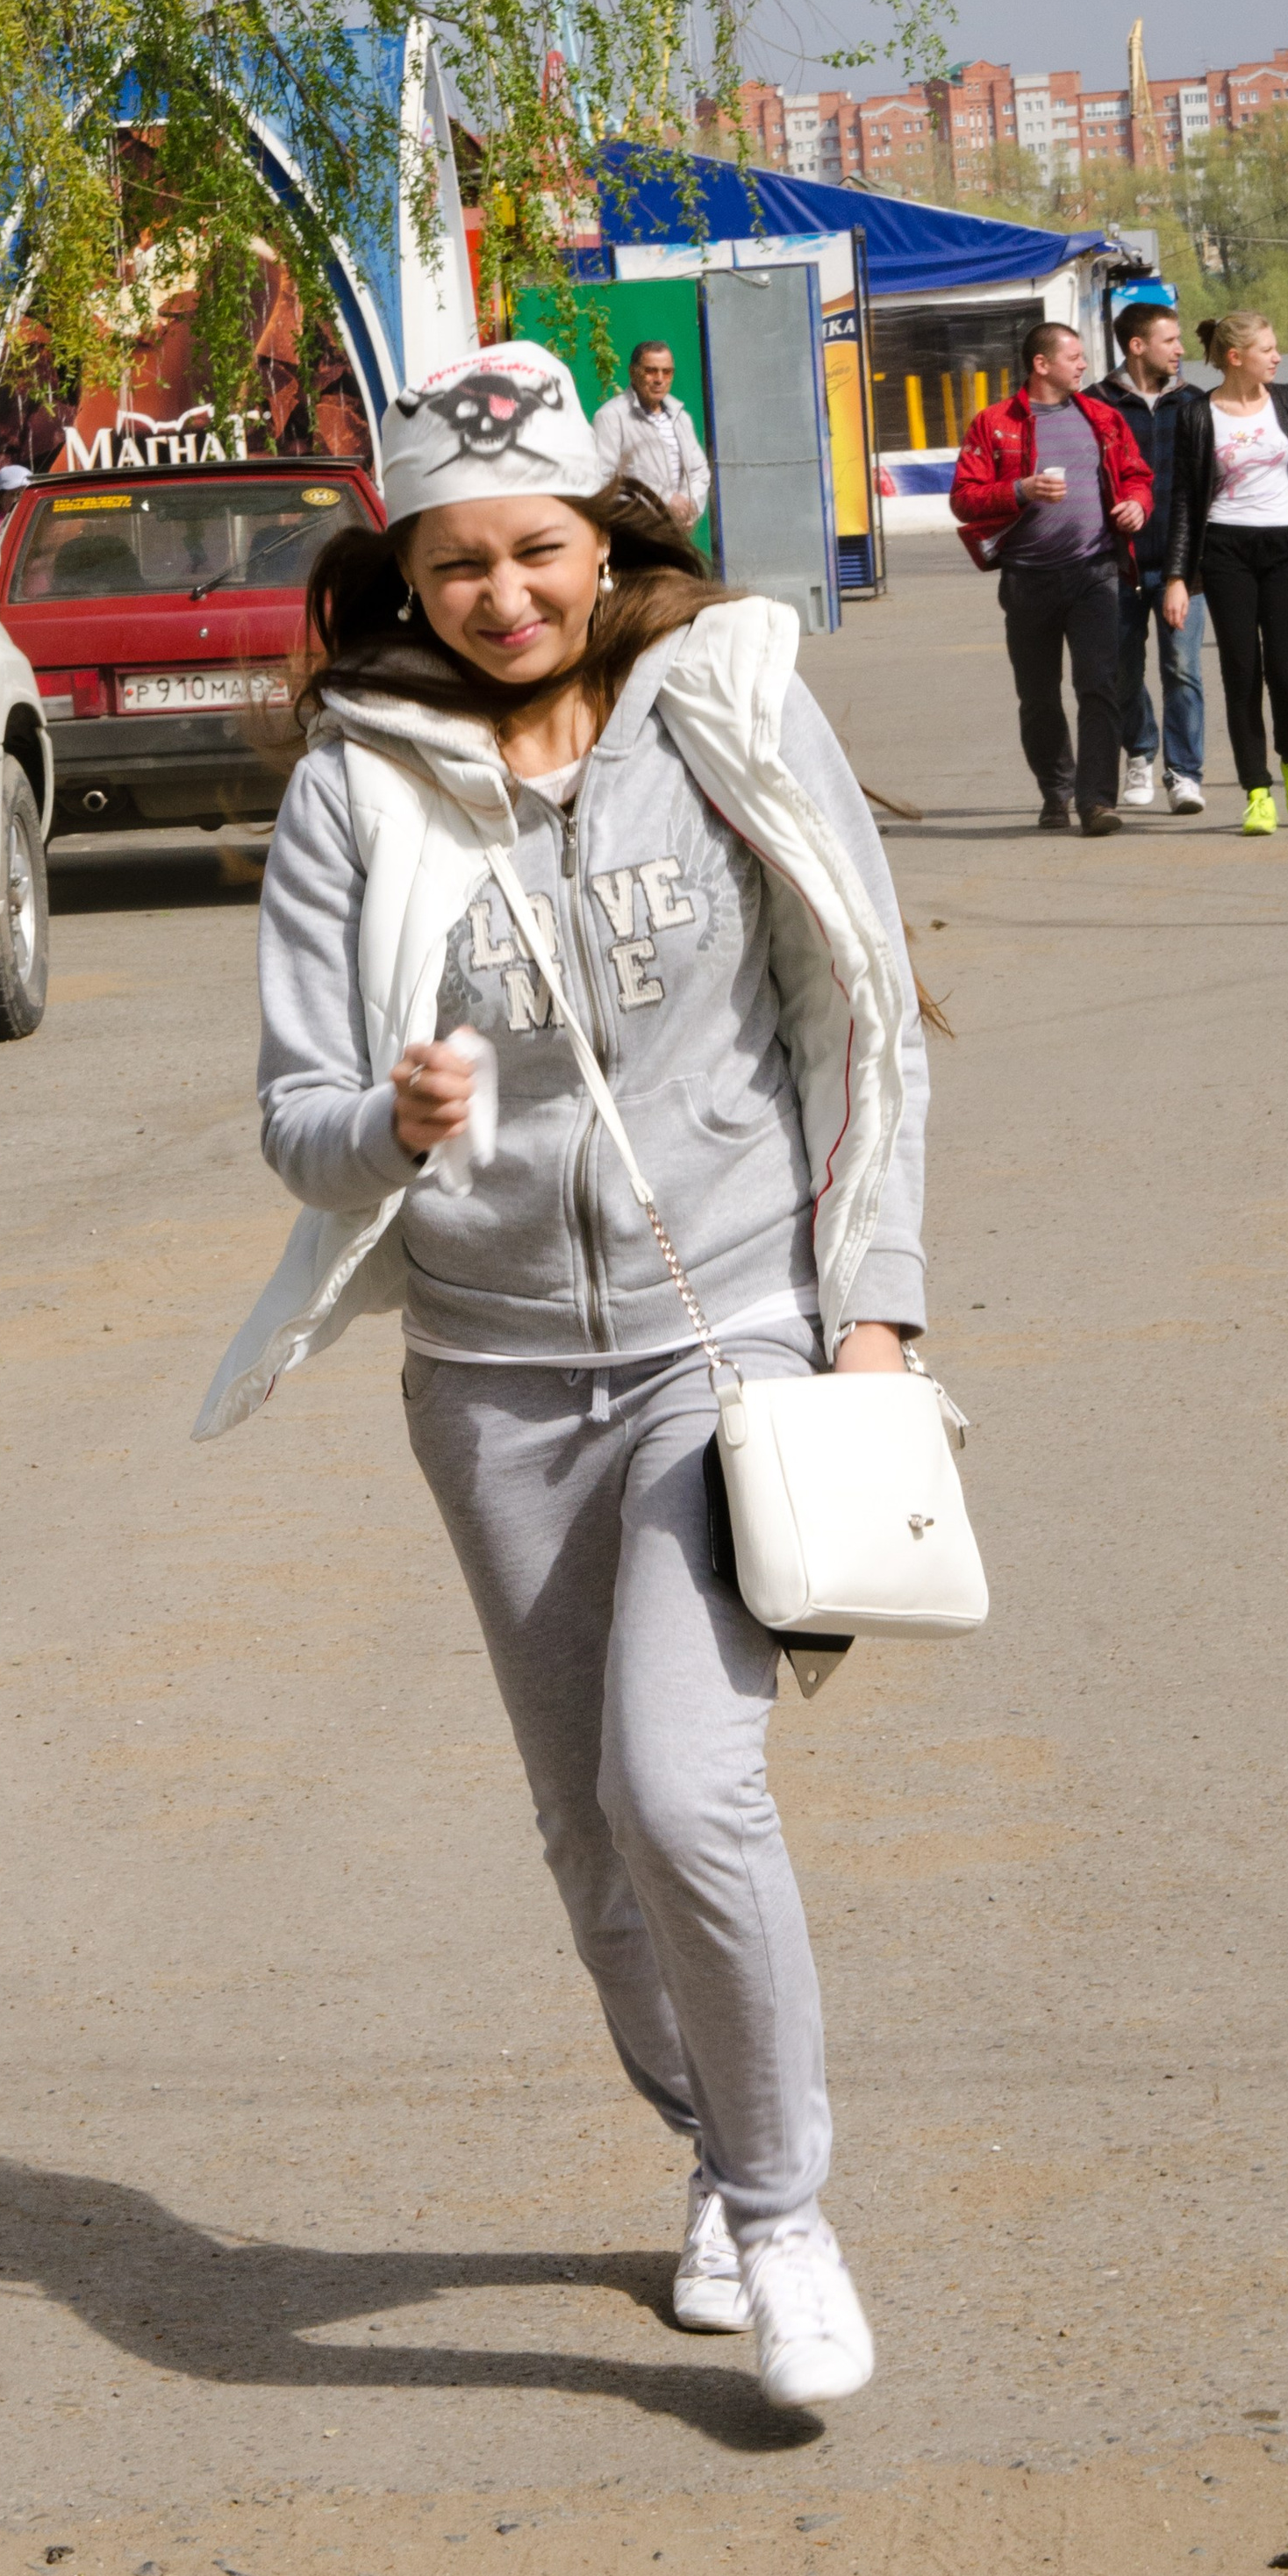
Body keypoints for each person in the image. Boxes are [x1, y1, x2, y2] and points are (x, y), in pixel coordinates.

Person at [198, 340, 932, 2418]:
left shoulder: (724, 706)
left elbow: (855, 1014)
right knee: (588, 1840)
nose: (500, 598)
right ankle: (709, 2143)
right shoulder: (355, 785)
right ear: (402, 572)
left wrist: (871, 1306)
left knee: (678, 1789)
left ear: (602, 540)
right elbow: (298, 1118)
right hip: (491, 1374)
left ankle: (783, 2216)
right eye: (454, 567)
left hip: (730, 1338)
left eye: (533, 553)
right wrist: (398, 1123)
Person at [948, 321, 1153, 835]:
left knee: (1099, 687)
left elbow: (1137, 475)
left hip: (1095, 573)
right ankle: (1056, 790)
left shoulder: (1102, 417)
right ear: (1041, 364)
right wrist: (1020, 490)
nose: (1083, 365)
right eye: (1074, 356)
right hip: (1028, 580)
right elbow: (964, 499)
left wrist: (1137, 504)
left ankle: (1096, 801)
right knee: (1038, 697)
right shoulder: (994, 423)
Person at [1163, 310, 1288, 835]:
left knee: (1287, 673)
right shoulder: (1197, 415)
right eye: (1267, 349)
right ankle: (1257, 790)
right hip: (1225, 551)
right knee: (1241, 673)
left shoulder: (1286, 399)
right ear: (1235, 356)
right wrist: (1177, 577)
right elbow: (1185, 501)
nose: (1278, 357)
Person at [1093, 301, 1205, 813]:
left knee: (1182, 668)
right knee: (1121, 668)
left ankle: (1184, 774)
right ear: (1137, 346)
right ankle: (1139, 751)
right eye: (1170, 340)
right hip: (1117, 564)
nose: (1180, 349)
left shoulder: (1196, 403)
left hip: (1184, 565)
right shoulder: (1096, 405)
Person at [591, 340, 710, 529]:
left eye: (667, 372)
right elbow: (604, 479)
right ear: (633, 372)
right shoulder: (611, 416)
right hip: (637, 532)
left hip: (676, 531)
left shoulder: (681, 418)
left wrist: (689, 505)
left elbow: (699, 471)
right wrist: (665, 501)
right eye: (651, 371)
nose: (659, 379)